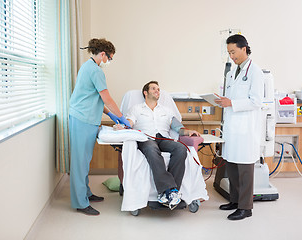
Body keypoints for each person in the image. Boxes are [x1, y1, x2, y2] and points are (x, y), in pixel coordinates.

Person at [69, 38, 130, 216]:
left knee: (84, 160)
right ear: (103, 54)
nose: (108, 61)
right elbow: (107, 98)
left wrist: (110, 114)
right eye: (109, 58)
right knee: (80, 162)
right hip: (83, 119)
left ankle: (86, 194)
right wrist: (120, 117)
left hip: (84, 117)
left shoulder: (88, 67)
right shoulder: (95, 71)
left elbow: (93, 97)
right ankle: (80, 203)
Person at [124, 81, 201, 210]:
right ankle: (168, 190)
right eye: (154, 88)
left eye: (159, 89)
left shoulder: (167, 110)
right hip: (146, 139)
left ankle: (171, 192)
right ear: (145, 92)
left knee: (180, 148)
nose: (157, 91)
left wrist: (189, 132)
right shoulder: (136, 109)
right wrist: (123, 126)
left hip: (164, 138)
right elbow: (129, 123)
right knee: (152, 149)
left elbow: (178, 128)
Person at [214, 34, 264, 220]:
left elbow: (256, 101)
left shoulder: (255, 72)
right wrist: (222, 102)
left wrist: (232, 103)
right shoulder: (231, 72)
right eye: (229, 53)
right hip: (232, 128)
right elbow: (230, 99)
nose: (231, 56)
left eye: (233, 52)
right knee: (232, 166)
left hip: (245, 130)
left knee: (244, 170)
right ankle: (235, 201)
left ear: (244, 48)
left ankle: (246, 207)